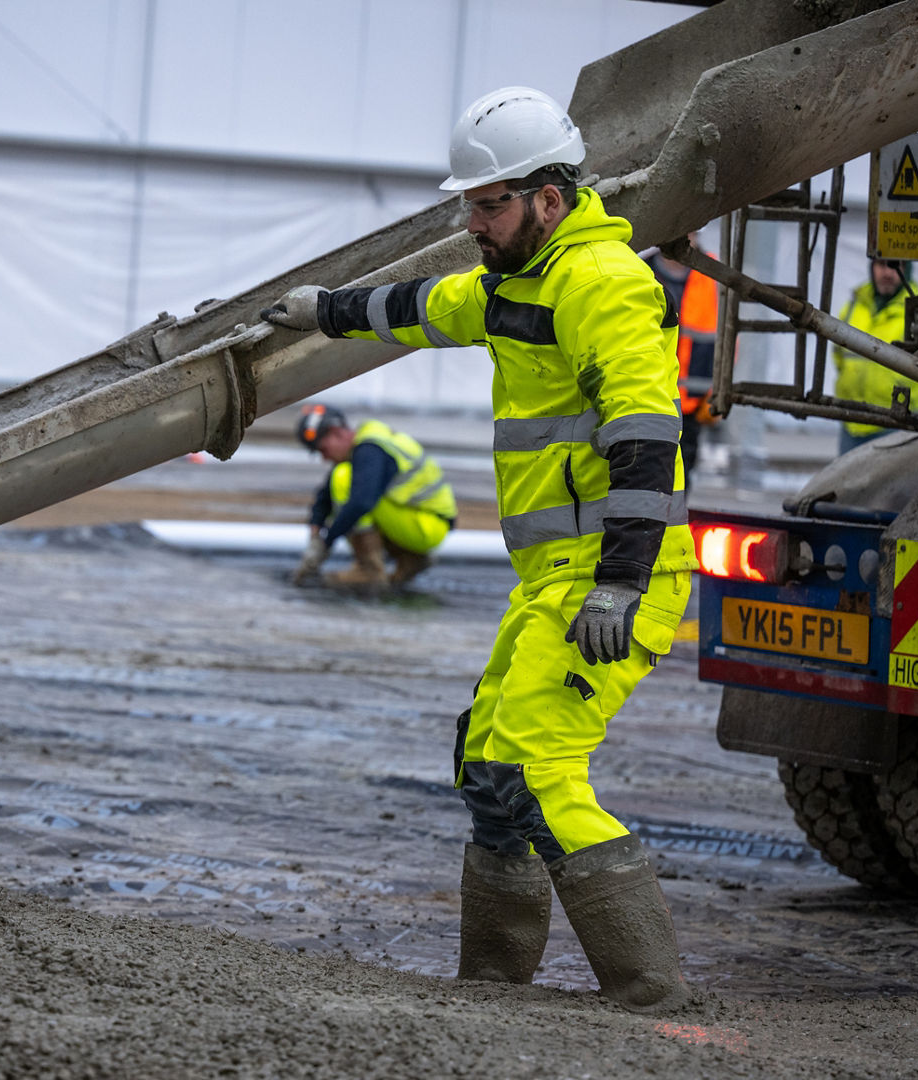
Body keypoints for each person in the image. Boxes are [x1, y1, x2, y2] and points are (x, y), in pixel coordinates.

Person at [261, 86, 695, 1013]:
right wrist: (319, 309)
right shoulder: (511, 287)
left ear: (547, 199)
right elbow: (416, 304)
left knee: (537, 769)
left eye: (487, 203)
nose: (471, 221)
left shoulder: (603, 282)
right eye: (469, 202)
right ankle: (493, 990)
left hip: (619, 576)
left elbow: (646, 438)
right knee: (487, 763)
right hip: (555, 577)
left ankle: (655, 995)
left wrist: (619, 585)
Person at [290, 404, 455, 592]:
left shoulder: (370, 450)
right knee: (345, 479)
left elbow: (362, 502)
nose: (324, 458)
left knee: (345, 480)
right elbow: (325, 495)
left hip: (426, 525)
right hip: (425, 522)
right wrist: (315, 527)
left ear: (336, 433)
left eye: (323, 450)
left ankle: (369, 571)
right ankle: (411, 559)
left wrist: (325, 544)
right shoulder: (367, 441)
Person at [831, 257, 918, 455]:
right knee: (848, 485)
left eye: (895, 266)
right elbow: (839, 355)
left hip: (899, 422)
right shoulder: (856, 302)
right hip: (853, 420)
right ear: (872, 266)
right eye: (881, 264)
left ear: (906, 269)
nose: (887, 273)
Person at [645, 235, 719, 474]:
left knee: (681, 473)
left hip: (691, 403)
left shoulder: (713, 275)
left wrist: (716, 391)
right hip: (645, 397)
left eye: (692, 231)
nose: (685, 237)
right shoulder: (639, 271)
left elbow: (726, 338)